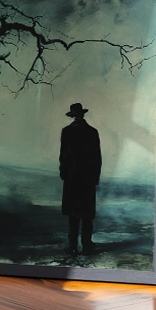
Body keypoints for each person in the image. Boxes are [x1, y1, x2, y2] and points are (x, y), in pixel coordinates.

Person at [59, 102, 102, 256]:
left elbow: (63, 157)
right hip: (87, 178)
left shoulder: (67, 132)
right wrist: (95, 178)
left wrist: (64, 174)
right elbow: (97, 158)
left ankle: (72, 247)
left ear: (73, 115)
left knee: (73, 214)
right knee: (86, 214)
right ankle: (86, 246)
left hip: (72, 178)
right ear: (83, 114)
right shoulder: (92, 132)